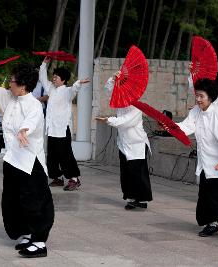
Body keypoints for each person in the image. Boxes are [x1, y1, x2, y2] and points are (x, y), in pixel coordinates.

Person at [0, 61, 54, 258]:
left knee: (34, 200)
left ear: (22, 85)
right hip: (12, 158)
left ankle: (39, 241)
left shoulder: (34, 104)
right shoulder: (8, 98)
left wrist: (23, 130)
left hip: (30, 161)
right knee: (12, 200)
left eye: (12, 81)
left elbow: (33, 121)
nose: (9, 83)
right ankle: (26, 233)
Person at [176, 78, 218, 241]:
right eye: (197, 96)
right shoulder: (196, 112)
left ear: (210, 97)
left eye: (201, 96)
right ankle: (211, 223)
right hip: (206, 161)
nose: (198, 100)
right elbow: (186, 126)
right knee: (205, 195)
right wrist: (170, 126)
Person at [96, 75, 152, 210]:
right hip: (124, 144)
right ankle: (131, 198)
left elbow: (125, 121)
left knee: (137, 173)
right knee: (126, 173)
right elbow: (109, 89)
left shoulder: (136, 107)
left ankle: (140, 198)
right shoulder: (121, 102)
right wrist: (113, 79)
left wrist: (109, 120)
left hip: (137, 144)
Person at [39, 57, 90, 191]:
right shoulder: (50, 89)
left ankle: (74, 179)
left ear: (63, 80)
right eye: (54, 76)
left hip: (62, 130)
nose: (54, 79)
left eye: (56, 77)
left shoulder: (67, 92)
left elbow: (74, 89)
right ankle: (57, 178)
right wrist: (44, 64)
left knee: (66, 155)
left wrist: (79, 82)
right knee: (52, 156)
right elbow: (43, 78)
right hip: (51, 130)